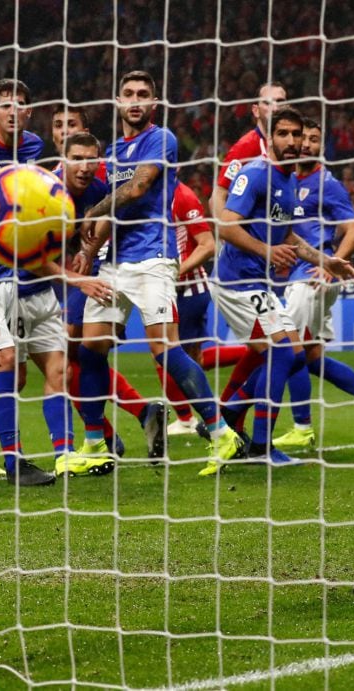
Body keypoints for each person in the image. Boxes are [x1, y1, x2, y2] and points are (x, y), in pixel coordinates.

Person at [71, 70, 244, 476]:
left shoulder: (160, 139)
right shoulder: (113, 150)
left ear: (153, 102)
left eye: (143, 94)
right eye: (128, 94)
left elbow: (138, 190)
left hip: (153, 257)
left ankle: (221, 433)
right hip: (115, 262)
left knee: (165, 349)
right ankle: (95, 443)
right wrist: (89, 252)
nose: (135, 100)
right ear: (117, 102)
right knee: (90, 348)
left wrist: (90, 213)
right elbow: (118, 210)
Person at [212, 106, 354, 467]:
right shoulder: (255, 174)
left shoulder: (289, 179)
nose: (292, 141)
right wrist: (267, 250)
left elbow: (287, 234)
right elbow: (226, 226)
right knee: (282, 353)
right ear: (270, 138)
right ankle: (260, 446)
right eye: (284, 134)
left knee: (292, 354)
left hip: (258, 283)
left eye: (297, 134)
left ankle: (227, 417)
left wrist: (326, 261)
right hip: (237, 282)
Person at [46, 112, 167, 462]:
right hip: (52, 274)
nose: (64, 131)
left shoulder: (100, 189)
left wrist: (87, 257)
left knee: (64, 359)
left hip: (90, 275)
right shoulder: (42, 187)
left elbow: (108, 227)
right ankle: (127, 422)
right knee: (66, 359)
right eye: (58, 125)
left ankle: (96, 438)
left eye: (71, 125)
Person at [269, 117, 354, 453]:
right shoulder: (288, 178)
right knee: (311, 357)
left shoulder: (327, 183)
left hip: (312, 278)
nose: (305, 144)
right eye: (302, 138)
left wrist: (331, 265)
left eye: (313, 139)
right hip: (301, 276)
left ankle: (301, 427)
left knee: (285, 350)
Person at [0, 78, 55, 486]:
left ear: (29, 111)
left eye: (21, 104)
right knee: (3, 360)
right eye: (6, 104)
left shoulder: (35, 147)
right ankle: (14, 461)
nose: (13, 110)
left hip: (16, 276)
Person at [203, 81, 290, 387]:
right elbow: (217, 196)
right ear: (256, 110)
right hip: (242, 264)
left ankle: (227, 409)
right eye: (269, 102)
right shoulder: (247, 148)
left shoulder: (287, 148)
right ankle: (228, 410)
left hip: (266, 260)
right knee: (277, 348)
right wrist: (226, 235)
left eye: (281, 101)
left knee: (264, 348)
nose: (276, 107)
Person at [158, 179, 217, 438]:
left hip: (189, 289)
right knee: (188, 358)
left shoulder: (183, 195)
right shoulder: (152, 194)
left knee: (169, 357)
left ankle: (188, 419)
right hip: (170, 289)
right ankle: (196, 418)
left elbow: (208, 245)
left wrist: (176, 272)